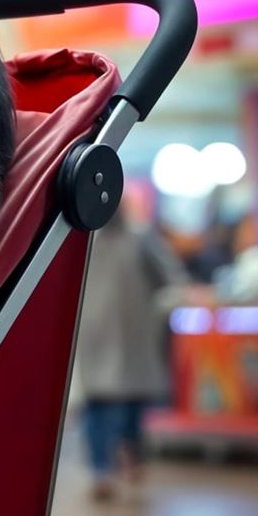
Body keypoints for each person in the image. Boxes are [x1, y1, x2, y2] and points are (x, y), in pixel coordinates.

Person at [75, 198, 186, 500]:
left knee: (129, 407)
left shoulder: (141, 238)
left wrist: (159, 312)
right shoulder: (81, 239)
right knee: (99, 406)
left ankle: (130, 457)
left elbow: (172, 280)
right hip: (93, 339)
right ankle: (101, 471)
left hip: (133, 338)